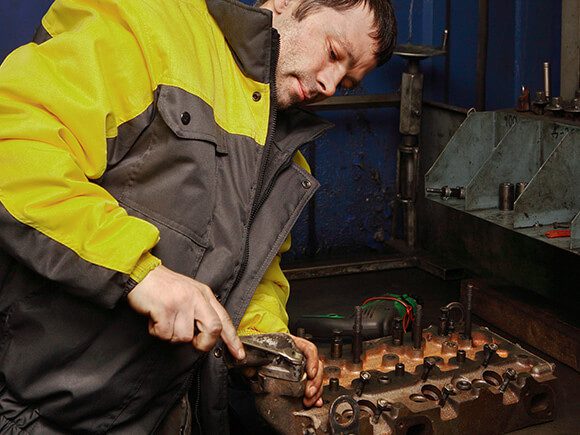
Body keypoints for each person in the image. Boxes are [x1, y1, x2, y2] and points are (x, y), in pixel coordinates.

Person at [0, 0, 396, 432]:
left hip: (167, 415)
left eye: (348, 80)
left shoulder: (285, 158)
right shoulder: (148, 28)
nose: (331, 84)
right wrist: (139, 271)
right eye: (334, 53)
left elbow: (252, 275)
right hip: (39, 411)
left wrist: (268, 340)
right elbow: (16, 148)